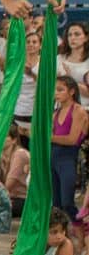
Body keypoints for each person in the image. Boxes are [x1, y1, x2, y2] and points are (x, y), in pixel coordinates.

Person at [52, 76, 88, 218]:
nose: (56, 93)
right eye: (55, 90)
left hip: (68, 160)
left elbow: (72, 140)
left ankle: (80, 233)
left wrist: (49, 137)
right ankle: (62, 236)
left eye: (60, 90)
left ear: (72, 91)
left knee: (67, 203)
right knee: (56, 205)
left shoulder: (78, 111)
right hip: (53, 159)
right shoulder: (55, 113)